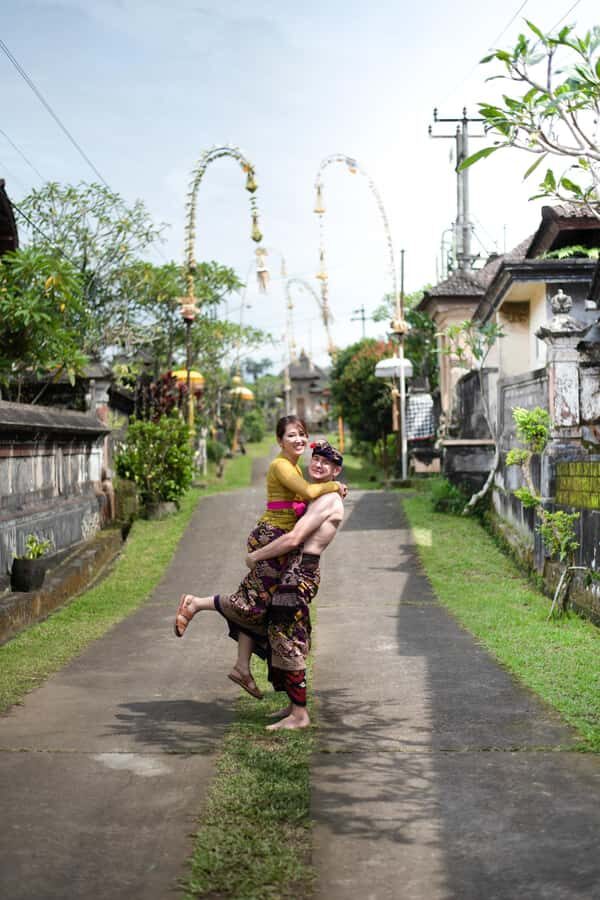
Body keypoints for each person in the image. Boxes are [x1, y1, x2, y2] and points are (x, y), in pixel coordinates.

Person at [173, 417, 346, 702]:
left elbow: (304, 501)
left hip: (278, 540)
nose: (299, 440)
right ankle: (196, 603)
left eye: (302, 434)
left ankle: (242, 667)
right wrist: (335, 486)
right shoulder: (282, 466)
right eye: (292, 435)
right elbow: (308, 494)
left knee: (257, 607)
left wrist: (333, 488)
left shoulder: (293, 467)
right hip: (272, 538)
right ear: (279, 441)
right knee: (250, 602)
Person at [245, 439, 345, 731]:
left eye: (326, 463)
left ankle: (300, 715)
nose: (318, 465)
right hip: (295, 570)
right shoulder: (322, 494)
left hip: (300, 573)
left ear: (336, 470)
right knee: (285, 632)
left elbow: (294, 538)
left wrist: (256, 556)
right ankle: (293, 706)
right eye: (315, 459)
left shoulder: (327, 500)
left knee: (287, 636)